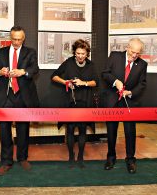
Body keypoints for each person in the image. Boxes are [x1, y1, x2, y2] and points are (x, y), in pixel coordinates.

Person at [0, 26, 39, 175]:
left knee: (23, 128)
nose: (16, 42)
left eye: (19, 39)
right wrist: (0, 71)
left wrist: (22, 71)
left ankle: (23, 158)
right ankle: (6, 161)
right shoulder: (2, 52)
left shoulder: (30, 52)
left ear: (23, 39)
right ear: (10, 38)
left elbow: (35, 69)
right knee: (4, 130)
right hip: (6, 95)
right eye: (14, 39)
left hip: (23, 95)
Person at [101, 38, 147, 173]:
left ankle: (131, 160)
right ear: (127, 47)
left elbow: (142, 84)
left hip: (129, 102)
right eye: (133, 52)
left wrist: (130, 92)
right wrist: (116, 81)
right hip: (112, 100)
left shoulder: (142, 64)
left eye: (138, 54)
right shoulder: (115, 56)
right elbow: (105, 73)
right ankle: (110, 158)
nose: (134, 56)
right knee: (111, 131)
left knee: (130, 132)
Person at [51, 39, 98, 168]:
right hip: (70, 102)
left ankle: (80, 157)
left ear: (87, 53)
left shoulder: (91, 65)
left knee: (83, 130)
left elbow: (96, 82)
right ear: (74, 53)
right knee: (70, 130)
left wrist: (84, 83)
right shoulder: (68, 63)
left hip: (85, 101)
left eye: (83, 53)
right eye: (78, 53)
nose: (80, 56)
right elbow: (54, 76)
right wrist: (65, 82)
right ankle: (71, 157)